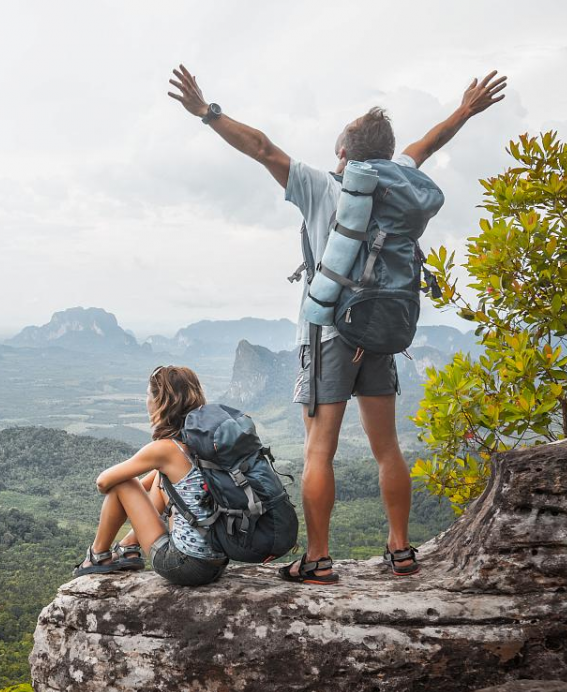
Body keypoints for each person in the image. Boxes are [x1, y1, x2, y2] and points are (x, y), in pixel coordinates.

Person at [167, 65, 507, 584]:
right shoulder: (400, 180)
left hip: (330, 335)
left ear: (345, 153)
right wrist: (465, 110)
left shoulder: (323, 185)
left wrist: (207, 113)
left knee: (318, 449)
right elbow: (428, 143)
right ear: (387, 153)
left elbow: (262, 148)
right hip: (383, 331)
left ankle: (319, 558)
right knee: (387, 447)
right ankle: (400, 550)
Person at [74, 365, 229, 587]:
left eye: (148, 395)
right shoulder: (201, 440)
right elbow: (150, 484)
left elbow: (103, 481)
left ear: (161, 401)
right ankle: (128, 547)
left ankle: (97, 555)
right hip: (216, 563)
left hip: (184, 566)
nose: (146, 400)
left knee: (122, 482)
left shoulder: (165, 449)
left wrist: (124, 493)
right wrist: (136, 496)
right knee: (157, 477)